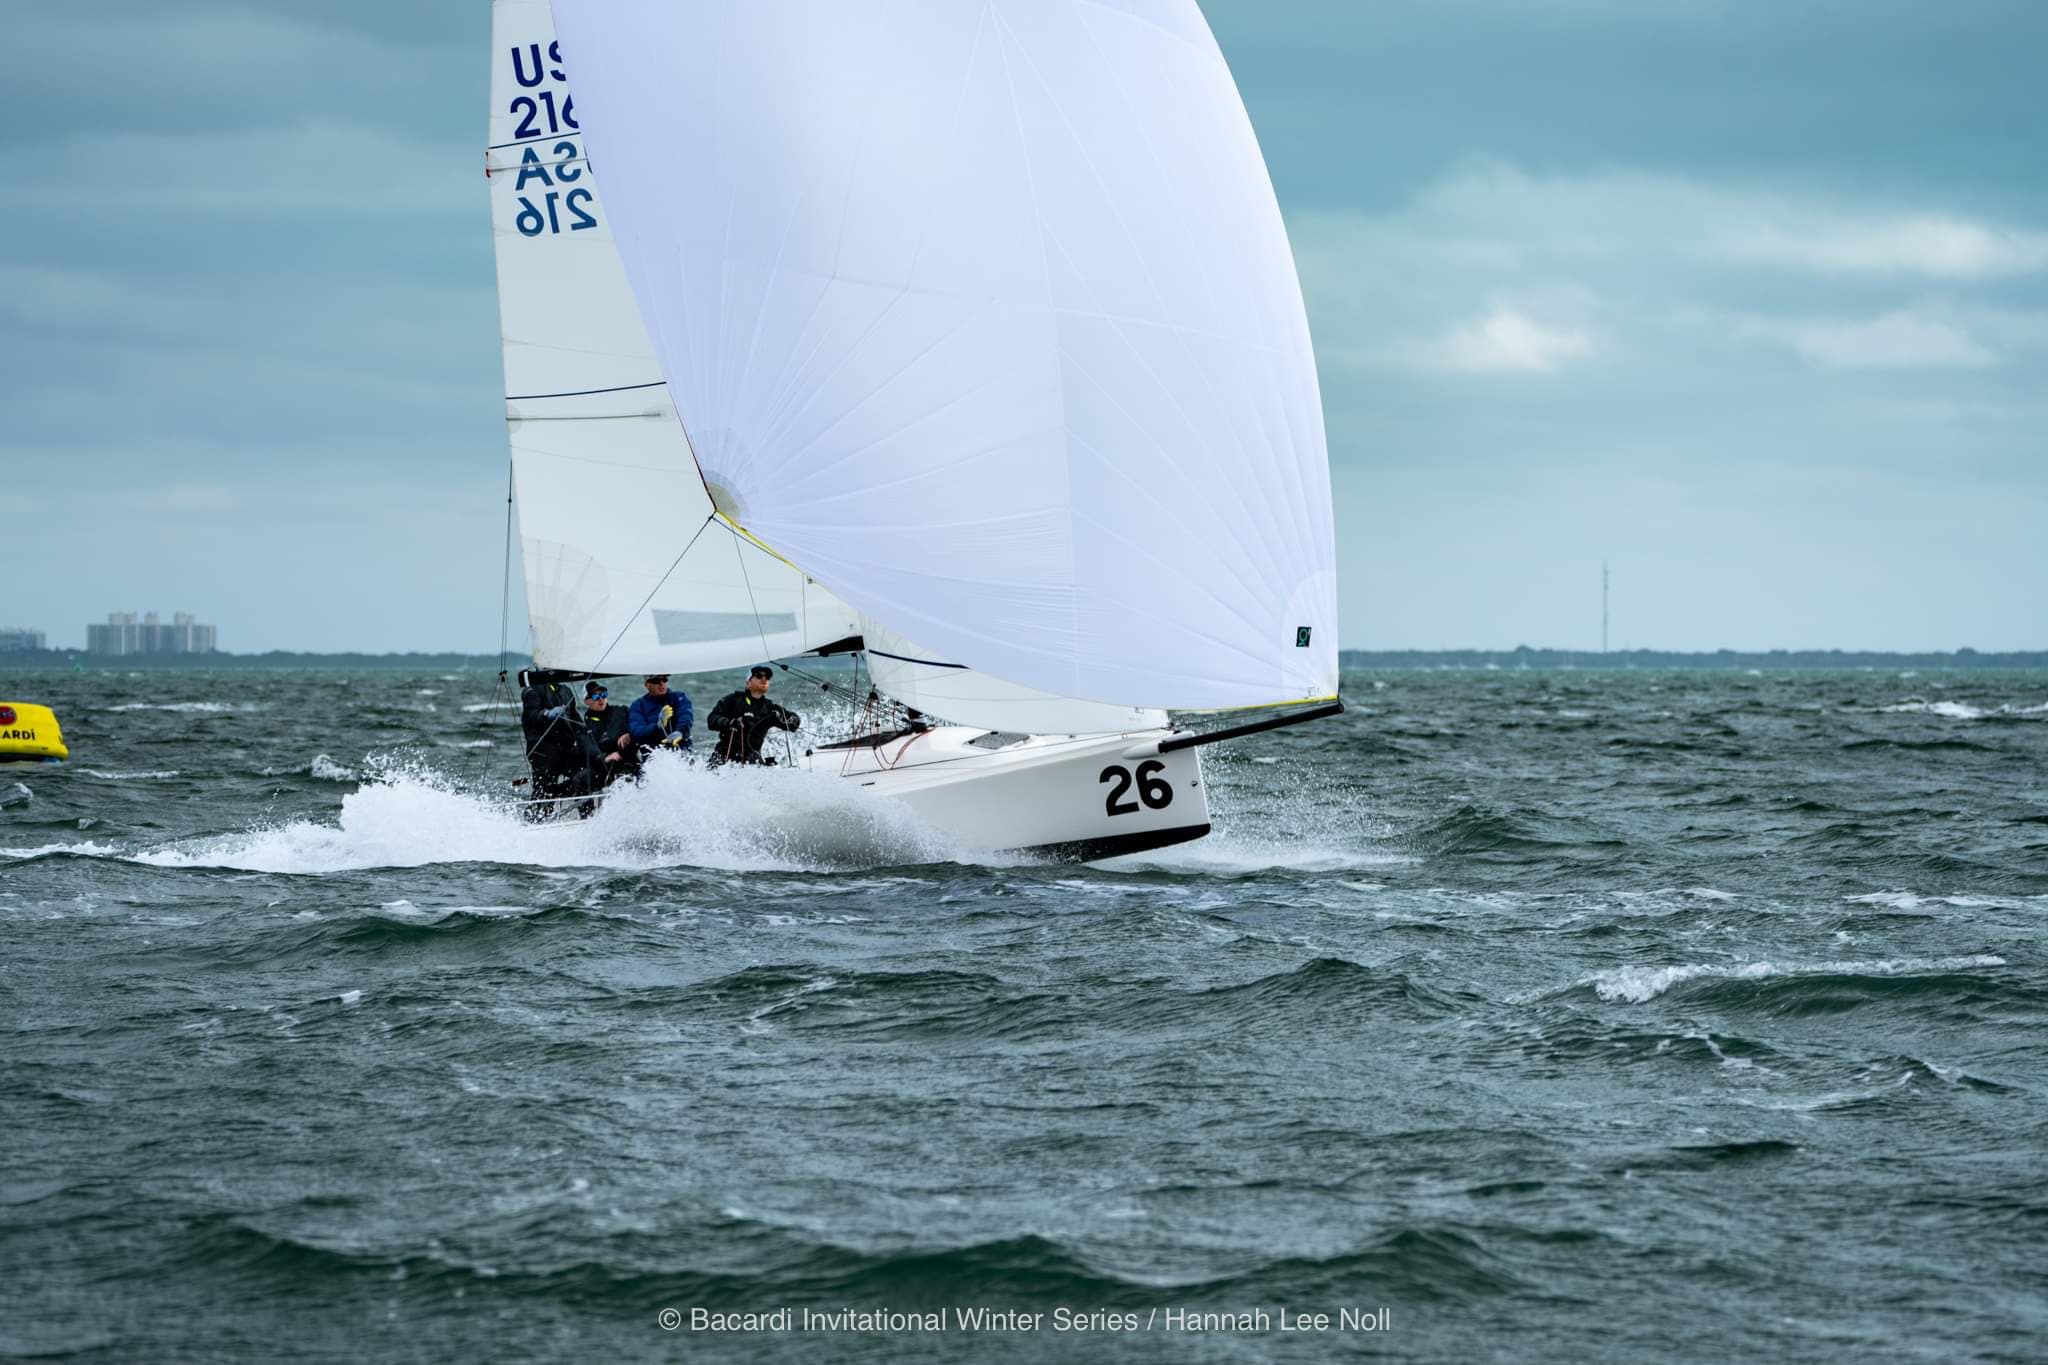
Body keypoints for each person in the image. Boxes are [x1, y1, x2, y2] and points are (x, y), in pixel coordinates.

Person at [519, 675, 598, 808]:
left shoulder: (565, 690)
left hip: (566, 748)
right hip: (543, 750)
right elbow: (530, 714)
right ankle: (535, 822)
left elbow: (575, 718)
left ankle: (588, 815)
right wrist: (546, 713)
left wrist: (587, 732)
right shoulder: (533, 690)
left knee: (584, 776)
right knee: (544, 790)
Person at [706, 664, 801, 766]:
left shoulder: (770, 707)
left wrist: (792, 720)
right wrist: (730, 723)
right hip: (725, 758)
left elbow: (794, 722)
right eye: (759, 676)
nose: (764, 679)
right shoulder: (733, 700)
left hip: (752, 761)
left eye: (767, 677)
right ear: (748, 683)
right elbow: (712, 719)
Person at [580, 680, 638, 786]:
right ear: (587, 701)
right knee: (582, 778)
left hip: (628, 760)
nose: (601, 699)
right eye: (595, 697)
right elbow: (586, 745)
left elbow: (637, 726)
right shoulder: (585, 725)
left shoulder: (622, 711)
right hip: (604, 765)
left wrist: (629, 734)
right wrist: (604, 757)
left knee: (628, 772)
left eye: (603, 694)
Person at [627, 674, 693, 759]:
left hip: (681, 752)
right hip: (653, 756)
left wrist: (681, 732)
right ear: (647, 685)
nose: (662, 684)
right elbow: (636, 731)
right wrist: (657, 726)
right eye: (656, 681)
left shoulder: (679, 697)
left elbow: (686, 715)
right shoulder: (638, 705)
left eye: (664, 680)